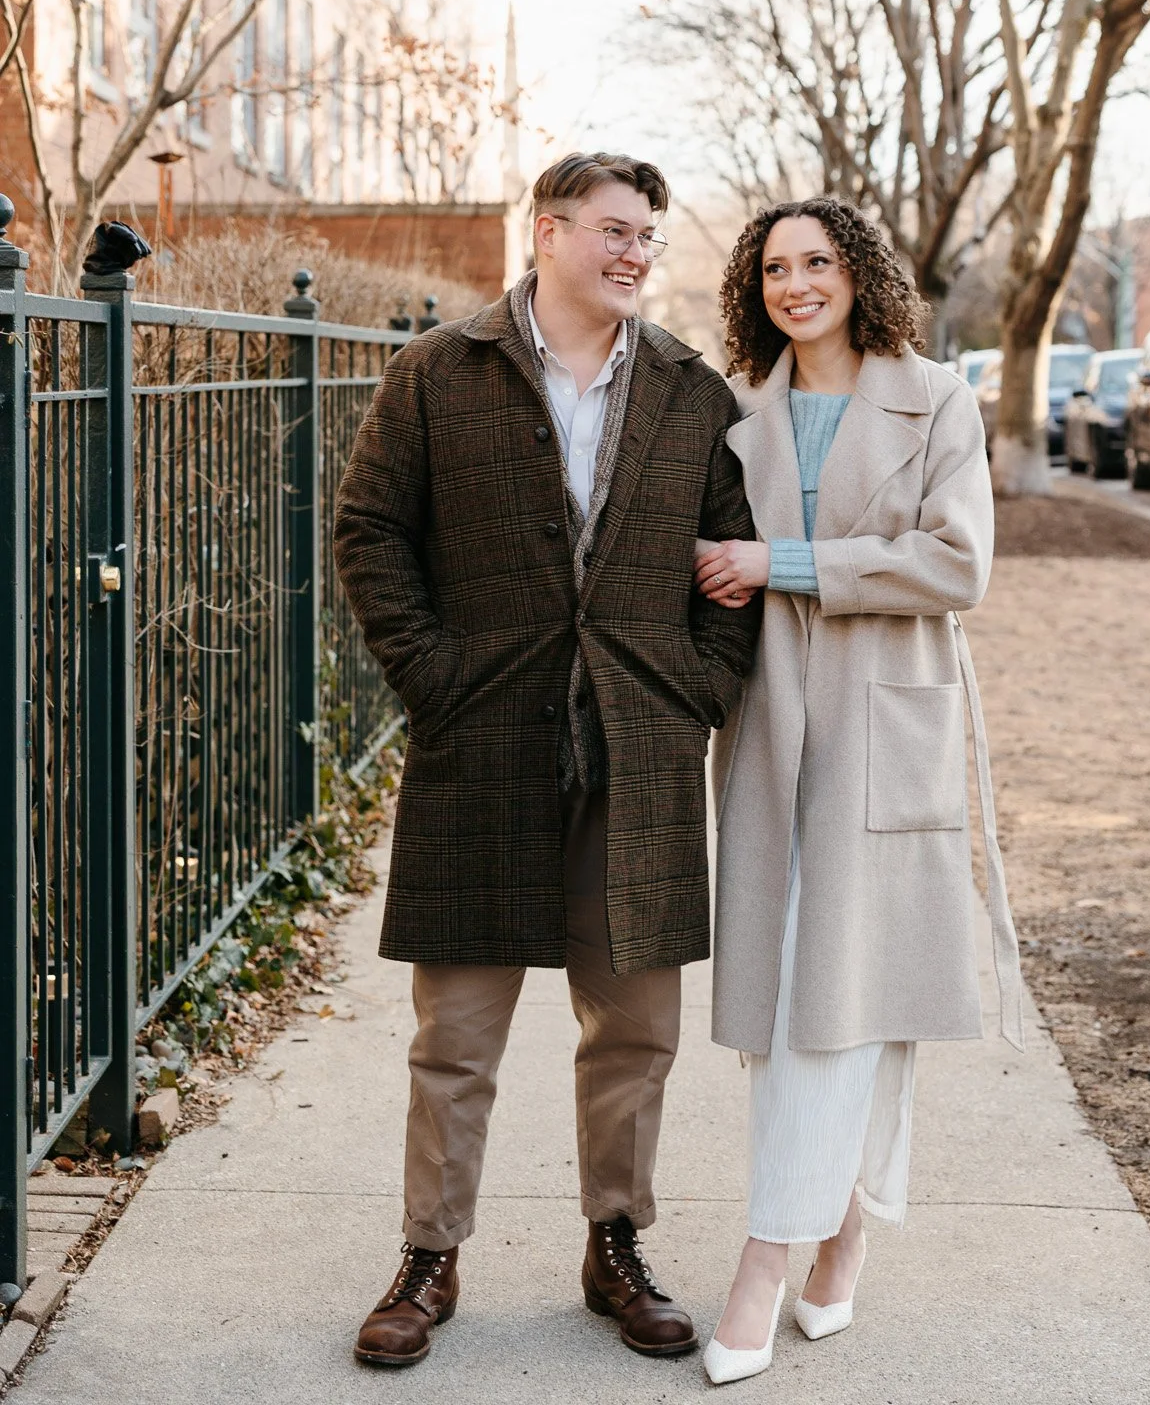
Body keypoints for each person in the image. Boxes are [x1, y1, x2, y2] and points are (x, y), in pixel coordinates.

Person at [333, 150, 760, 1371]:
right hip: (483, 743)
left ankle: (615, 1244)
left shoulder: (690, 391)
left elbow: (731, 557)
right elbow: (369, 529)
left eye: (647, 236)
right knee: (456, 1034)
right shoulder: (439, 371)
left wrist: (697, 693)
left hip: (639, 748)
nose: (635, 252)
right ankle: (429, 1256)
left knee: (635, 1029)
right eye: (615, 230)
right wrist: (435, 677)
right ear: (550, 230)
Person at [693, 198, 1023, 1385]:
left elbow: (957, 562)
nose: (796, 283)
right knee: (792, 995)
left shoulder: (936, 398)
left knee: (844, 989)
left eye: (817, 260)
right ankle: (841, 1228)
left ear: (858, 271)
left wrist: (781, 562)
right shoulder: (738, 411)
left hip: (886, 719)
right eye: (775, 267)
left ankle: (766, 1257)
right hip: (770, 720)